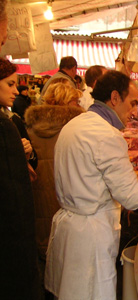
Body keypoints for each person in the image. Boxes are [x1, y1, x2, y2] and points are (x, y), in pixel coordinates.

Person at [45, 70, 138, 300]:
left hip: (72, 229)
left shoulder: (77, 124)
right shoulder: (106, 135)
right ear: (114, 98)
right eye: (132, 103)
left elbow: (104, 178)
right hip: (90, 238)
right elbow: (132, 197)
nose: (134, 112)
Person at [25, 83, 85, 262]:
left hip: (37, 204)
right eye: (76, 101)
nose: (80, 105)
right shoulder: (76, 131)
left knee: (43, 247)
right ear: (67, 103)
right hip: (67, 206)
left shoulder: (28, 129)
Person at [0, 58, 41, 299]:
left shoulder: (10, 121)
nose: (16, 90)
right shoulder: (5, 126)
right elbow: (15, 198)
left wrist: (25, 152)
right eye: (9, 84)